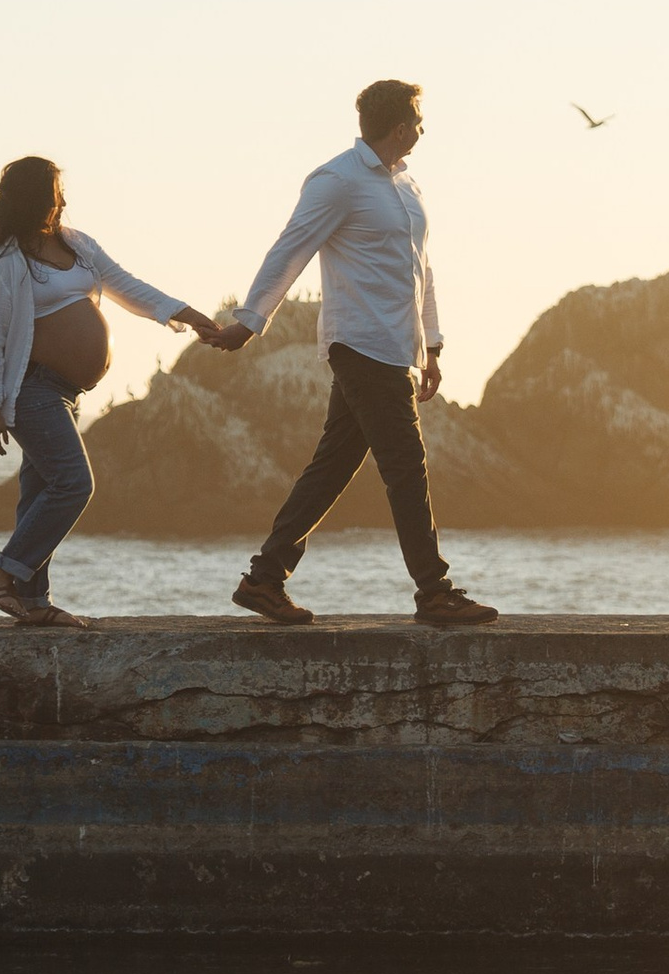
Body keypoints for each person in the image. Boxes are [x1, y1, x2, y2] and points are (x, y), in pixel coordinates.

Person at [210, 79, 497, 627]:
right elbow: (290, 248)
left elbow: (421, 269)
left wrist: (432, 345)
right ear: (400, 127)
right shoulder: (337, 180)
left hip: (397, 346)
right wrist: (250, 321)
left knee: (334, 465)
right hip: (359, 342)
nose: (423, 128)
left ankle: (264, 579)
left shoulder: (408, 185)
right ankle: (434, 591)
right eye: (419, 119)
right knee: (406, 466)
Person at [0, 154, 223, 628]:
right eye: (49, 195)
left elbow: (125, 285)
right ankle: (2, 572)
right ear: (28, 199)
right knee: (74, 483)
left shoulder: (77, 245)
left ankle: (34, 603)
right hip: (31, 389)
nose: (58, 202)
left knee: (40, 492)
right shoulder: (5, 262)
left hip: (66, 392)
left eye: (59, 194)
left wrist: (185, 313)